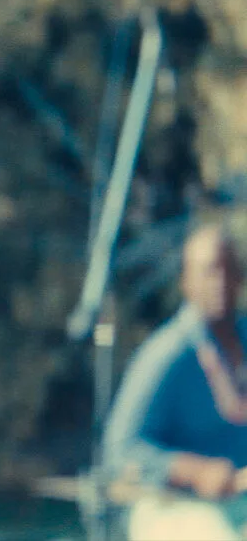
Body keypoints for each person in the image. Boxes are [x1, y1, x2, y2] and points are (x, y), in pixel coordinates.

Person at [104, 225, 247, 539]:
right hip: (172, 506)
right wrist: (195, 471)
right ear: (186, 281)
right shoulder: (167, 353)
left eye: (228, 270)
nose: (220, 282)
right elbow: (121, 449)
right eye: (209, 271)